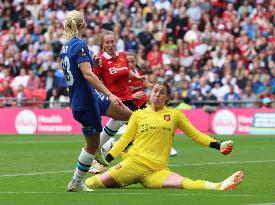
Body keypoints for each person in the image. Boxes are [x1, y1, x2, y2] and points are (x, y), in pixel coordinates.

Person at [85, 81, 244, 190]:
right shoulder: (138, 115)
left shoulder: (175, 115)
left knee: (182, 182)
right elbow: (124, 140)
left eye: (162, 93)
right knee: (93, 184)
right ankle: (83, 181)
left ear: (167, 97)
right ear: (150, 93)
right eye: (155, 91)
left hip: (157, 170)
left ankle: (219, 186)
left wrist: (218, 145)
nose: (157, 95)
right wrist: (105, 161)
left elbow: (194, 134)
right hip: (133, 165)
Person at [60, 10, 132, 192]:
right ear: (82, 25)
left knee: (130, 116)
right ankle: (76, 182)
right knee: (90, 146)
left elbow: (76, 72)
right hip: (85, 102)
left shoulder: (66, 47)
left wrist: (93, 65)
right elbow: (87, 74)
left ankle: (103, 147)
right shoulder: (79, 45)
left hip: (89, 97)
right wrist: (109, 93)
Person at [89, 30, 145, 173]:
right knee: (141, 126)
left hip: (128, 99)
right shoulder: (101, 61)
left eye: (112, 41)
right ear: (102, 44)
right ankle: (108, 153)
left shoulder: (123, 56)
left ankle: (100, 150)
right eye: (107, 42)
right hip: (115, 101)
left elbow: (126, 73)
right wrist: (94, 67)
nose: (110, 44)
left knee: (118, 129)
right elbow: (94, 80)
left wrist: (137, 78)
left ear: (116, 42)